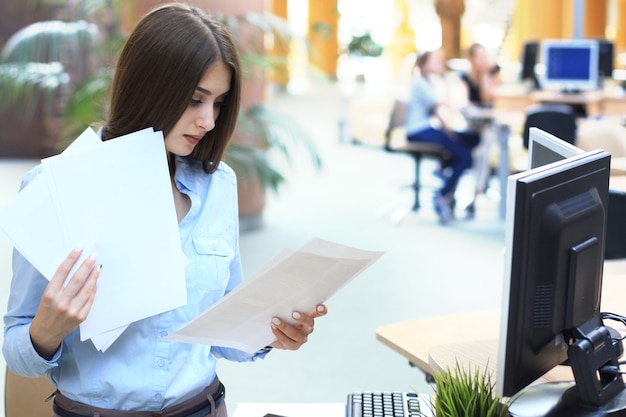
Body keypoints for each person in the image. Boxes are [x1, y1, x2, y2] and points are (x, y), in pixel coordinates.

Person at [3, 4, 327, 417]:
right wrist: (44, 333)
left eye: (219, 103)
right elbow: (17, 349)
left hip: (204, 408)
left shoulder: (218, 186)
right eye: (195, 100)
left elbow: (221, 335)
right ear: (149, 87)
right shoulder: (55, 189)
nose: (208, 121)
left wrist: (270, 332)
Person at [405, 49, 479, 224]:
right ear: (424, 64)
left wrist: (449, 132)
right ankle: (442, 193)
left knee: (471, 138)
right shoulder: (419, 84)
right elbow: (441, 105)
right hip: (418, 131)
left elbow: (438, 112)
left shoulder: (429, 81)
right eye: (436, 61)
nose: (441, 64)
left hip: (429, 127)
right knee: (465, 156)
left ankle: (443, 167)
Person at [459, 43, 502, 218]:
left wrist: (485, 74)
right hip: (471, 123)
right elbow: (464, 102)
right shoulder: (464, 77)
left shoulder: (493, 72)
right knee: (461, 147)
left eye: (484, 56)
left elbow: (488, 97)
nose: (483, 60)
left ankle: (475, 195)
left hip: (489, 124)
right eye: (479, 56)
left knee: (482, 154)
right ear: (471, 59)